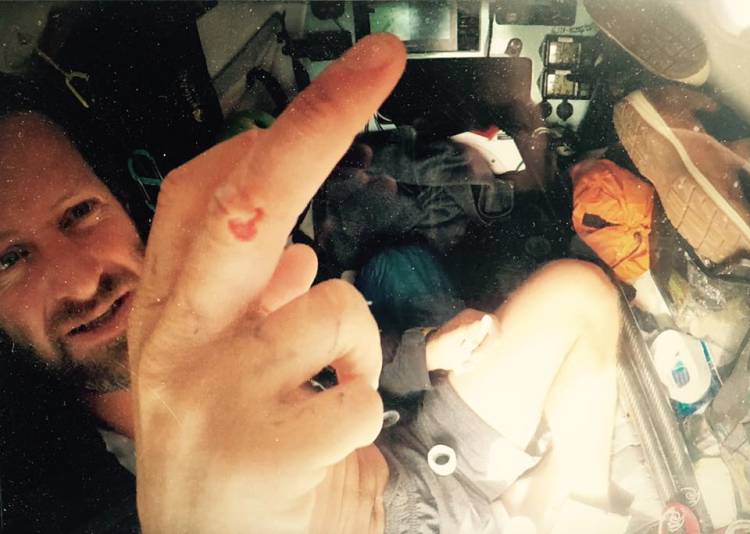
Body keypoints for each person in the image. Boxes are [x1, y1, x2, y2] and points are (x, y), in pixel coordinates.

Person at [0, 34, 625, 533]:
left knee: (579, 297)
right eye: (9, 259)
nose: (81, 278)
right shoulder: (43, 495)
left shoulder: (213, 300)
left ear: (117, 201)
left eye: (79, 213)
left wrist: (425, 353)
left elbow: (346, 368)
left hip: (407, 454)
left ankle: (572, 505)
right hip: (382, 508)